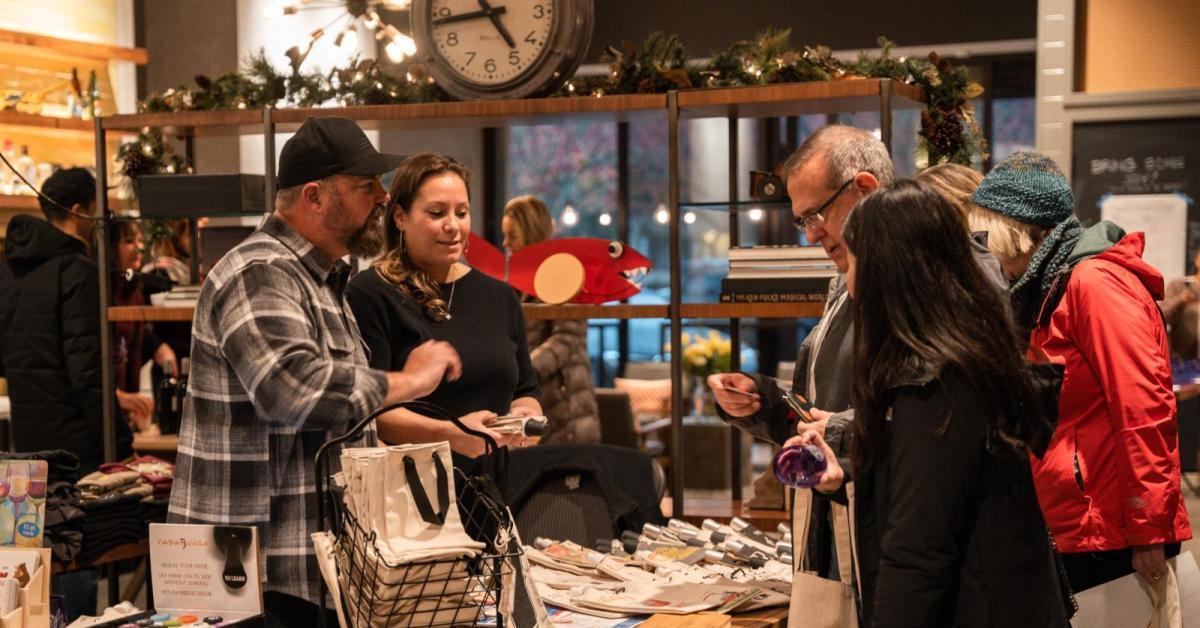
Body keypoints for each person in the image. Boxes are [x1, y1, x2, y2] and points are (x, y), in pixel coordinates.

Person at [167, 117, 463, 626]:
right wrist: (409, 381)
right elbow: (295, 390)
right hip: (251, 578)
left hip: (302, 571)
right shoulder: (259, 271)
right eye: (364, 185)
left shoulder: (323, 279)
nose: (380, 196)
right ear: (314, 196)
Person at [797, 180, 1070, 627]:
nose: (847, 275)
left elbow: (918, 553)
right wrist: (851, 467)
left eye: (855, 256)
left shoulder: (938, 383)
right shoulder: (964, 359)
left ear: (887, 269)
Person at [968, 151, 1192, 593]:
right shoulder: (1045, 289)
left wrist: (1149, 528)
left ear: (1016, 229)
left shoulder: (1093, 283)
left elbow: (1144, 409)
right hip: (1077, 525)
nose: (983, 249)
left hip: (1110, 533)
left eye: (984, 231)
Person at [708, 125, 892, 576]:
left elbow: (932, 419)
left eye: (816, 216)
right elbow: (815, 412)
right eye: (802, 221)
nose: (811, 235)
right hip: (842, 543)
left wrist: (836, 432)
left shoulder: (921, 289)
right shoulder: (847, 288)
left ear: (864, 189)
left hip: (892, 549)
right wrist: (758, 399)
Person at [347, 153, 539, 459]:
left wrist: (525, 418)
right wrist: (452, 435)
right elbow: (366, 411)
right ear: (400, 218)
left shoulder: (501, 297)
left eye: (462, 213)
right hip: (414, 490)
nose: (453, 226)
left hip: (502, 484)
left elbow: (525, 390)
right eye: (437, 213)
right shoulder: (370, 294)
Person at [0, 167, 133, 473]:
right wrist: (121, 445)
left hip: (27, 442)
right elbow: (88, 372)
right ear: (78, 212)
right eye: (96, 210)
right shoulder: (78, 272)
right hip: (78, 448)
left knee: (40, 521)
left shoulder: (8, 271)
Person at [502, 195, 600, 444]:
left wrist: (520, 369)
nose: (506, 243)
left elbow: (566, 339)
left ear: (530, 232)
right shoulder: (518, 279)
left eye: (512, 235)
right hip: (535, 398)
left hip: (565, 403)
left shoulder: (561, 272)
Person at [108, 219, 177, 432]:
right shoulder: (99, 290)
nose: (138, 247)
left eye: (139, 240)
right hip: (103, 408)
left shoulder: (135, 293)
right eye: (128, 241)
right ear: (108, 247)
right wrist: (118, 398)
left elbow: (134, 351)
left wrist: (131, 405)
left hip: (124, 409)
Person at [1162, 249, 1200, 359]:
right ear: (1197, 260)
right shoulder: (1179, 285)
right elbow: (1162, 316)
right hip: (1182, 359)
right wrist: (1180, 301)